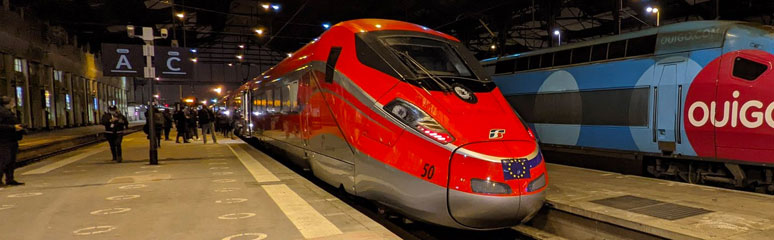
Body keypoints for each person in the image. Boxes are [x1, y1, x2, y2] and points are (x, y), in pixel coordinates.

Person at [0, 96, 25, 186]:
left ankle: (10, 179)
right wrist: (13, 127)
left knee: (11, 160)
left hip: (11, 139)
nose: (14, 104)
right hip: (4, 140)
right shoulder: (2, 112)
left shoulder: (8, 111)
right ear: (8, 103)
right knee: (4, 160)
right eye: (12, 102)